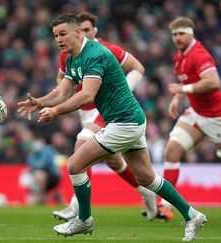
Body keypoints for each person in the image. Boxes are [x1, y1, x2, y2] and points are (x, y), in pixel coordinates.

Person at [17, 13, 207, 241]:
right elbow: (62, 91)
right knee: (146, 178)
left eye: (63, 34)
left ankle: (84, 219)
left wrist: (55, 111)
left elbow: (87, 95)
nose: (58, 39)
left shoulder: (94, 55)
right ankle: (191, 214)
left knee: (75, 164)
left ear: (78, 32)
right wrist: (40, 102)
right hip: (129, 120)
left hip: (123, 122)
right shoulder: (72, 58)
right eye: (56, 35)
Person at [51, 11, 158, 221]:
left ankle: (77, 208)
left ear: (93, 31)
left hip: (106, 110)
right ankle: (147, 193)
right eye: (80, 30)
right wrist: (59, 91)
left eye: (88, 30)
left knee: (81, 146)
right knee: (114, 161)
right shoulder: (68, 53)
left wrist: (122, 91)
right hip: (85, 110)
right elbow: (62, 77)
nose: (84, 34)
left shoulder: (106, 50)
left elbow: (138, 67)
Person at [158, 16, 221, 220]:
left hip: (217, 116)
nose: (177, 37)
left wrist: (183, 89)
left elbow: (214, 82)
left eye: (181, 33)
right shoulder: (179, 56)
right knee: (171, 151)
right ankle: (166, 206)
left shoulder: (199, 55)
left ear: (190, 34)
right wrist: (178, 96)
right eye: (174, 34)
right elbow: (191, 81)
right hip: (196, 113)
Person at [20, 135, 62, 205]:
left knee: (39, 175)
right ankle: (48, 197)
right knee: (29, 201)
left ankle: (41, 196)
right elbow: (31, 167)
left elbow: (45, 165)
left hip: (52, 177)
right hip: (37, 179)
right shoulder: (31, 154)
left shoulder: (49, 150)